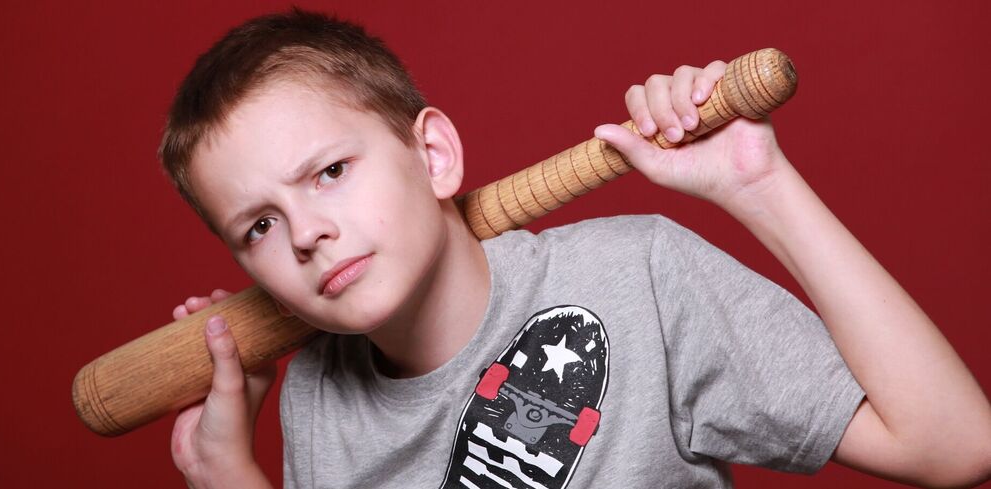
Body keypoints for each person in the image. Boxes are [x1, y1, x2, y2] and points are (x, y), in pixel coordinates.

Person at [159, 7, 991, 489]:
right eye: (258, 226)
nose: (306, 233)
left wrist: (759, 186)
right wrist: (228, 473)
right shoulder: (318, 401)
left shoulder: (636, 278)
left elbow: (957, 446)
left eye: (331, 171)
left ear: (433, 155)